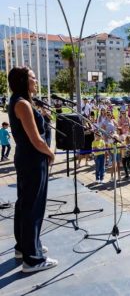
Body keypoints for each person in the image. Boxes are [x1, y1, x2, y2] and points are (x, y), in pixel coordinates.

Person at [8, 66, 58, 273]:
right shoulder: (22, 104)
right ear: (22, 80)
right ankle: (33, 259)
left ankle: (25, 247)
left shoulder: (23, 102)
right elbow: (35, 139)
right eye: (33, 77)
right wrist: (50, 153)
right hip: (32, 160)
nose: (36, 81)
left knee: (25, 204)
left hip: (28, 159)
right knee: (32, 208)